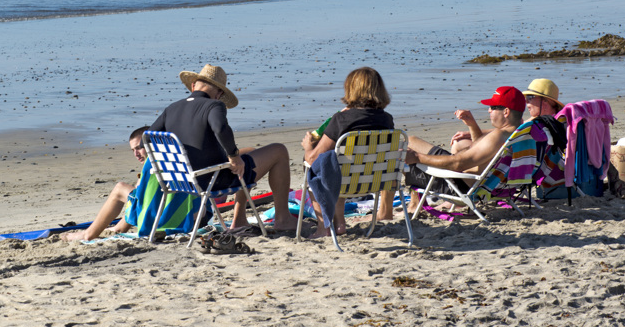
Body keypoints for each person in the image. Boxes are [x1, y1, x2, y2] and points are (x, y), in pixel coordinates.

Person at [149, 64, 297, 232]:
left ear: (193, 85)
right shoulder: (213, 106)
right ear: (219, 93)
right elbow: (220, 128)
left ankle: (239, 219)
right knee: (279, 150)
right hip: (213, 180)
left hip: (181, 180)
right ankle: (283, 219)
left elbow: (146, 139)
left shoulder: (172, 109)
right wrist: (233, 156)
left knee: (248, 152)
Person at [301, 67, 397, 237]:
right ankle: (339, 224)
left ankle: (326, 227)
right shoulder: (387, 119)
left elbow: (313, 158)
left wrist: (308, 146)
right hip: (375, 182)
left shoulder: (341, 119)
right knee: (338, 162)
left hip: (342, 183)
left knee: (322, 164)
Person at [403, 86, 527, 212]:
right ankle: (415, 203)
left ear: (506, 112)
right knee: (412, 141)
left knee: (405, 149)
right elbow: (482, 152)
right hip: (489, 185)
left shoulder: (499, 136)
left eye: (493, 107)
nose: (489, 111)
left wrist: (417, 157)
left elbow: (458, 164)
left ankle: (414, 205)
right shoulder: (521, 133)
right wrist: (472, 124)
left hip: (460, 187)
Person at [60, 126, 152, 242]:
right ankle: (119, 227)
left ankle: (88, 234)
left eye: (139, 148)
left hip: (158, 217)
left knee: (120, 188)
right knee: (135, 192)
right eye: (133, 150)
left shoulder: (153, 166)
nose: (136, 154)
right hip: (170, 215)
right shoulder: (169, 161)